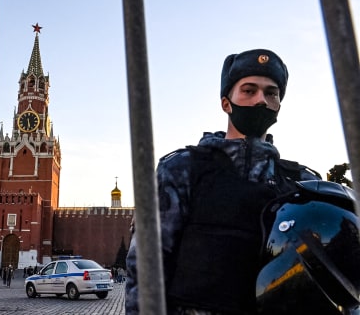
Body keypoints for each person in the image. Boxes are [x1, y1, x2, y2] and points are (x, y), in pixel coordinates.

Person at [125, 49, 323, 314]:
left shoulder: (300, 184)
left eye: (271, 93)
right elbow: (146, 268)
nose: (260, 101)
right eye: (249, 91)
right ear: (226, 102)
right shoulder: (182, 169)